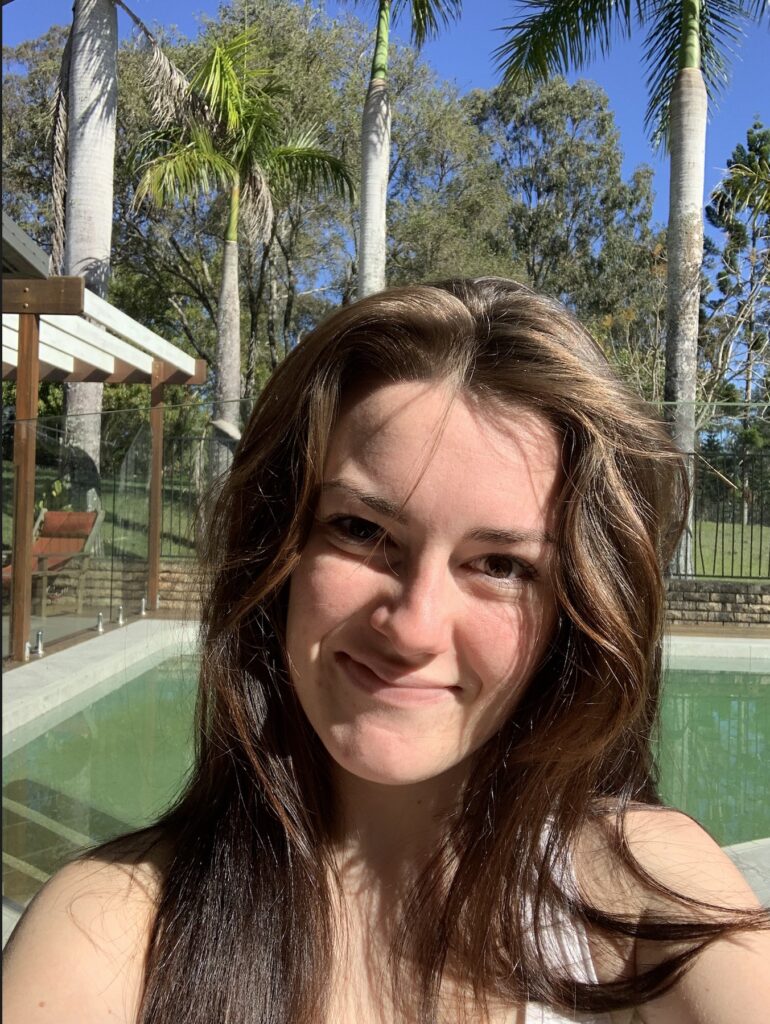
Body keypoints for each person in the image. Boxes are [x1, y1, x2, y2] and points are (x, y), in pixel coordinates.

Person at [4, 278, 768, 1023]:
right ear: (278, 552)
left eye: (501, 565)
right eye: (362, 530)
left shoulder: (640, 898)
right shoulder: (108, 933)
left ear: (572, 613)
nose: (412, 628)